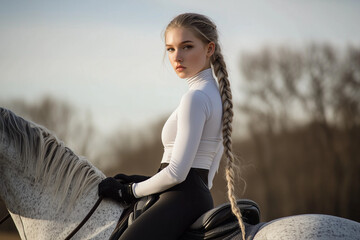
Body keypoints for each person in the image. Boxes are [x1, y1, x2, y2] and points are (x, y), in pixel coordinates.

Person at [98, 13, 246, 240]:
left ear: (209, 49)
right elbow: (203, 177)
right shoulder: (215, 95)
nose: (177, 57)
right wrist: (144, 181)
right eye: (170, 49)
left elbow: (177, 173)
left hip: (181, 199)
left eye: (186, 47)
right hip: (191, 197)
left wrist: (128, 191)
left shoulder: (195, 98)